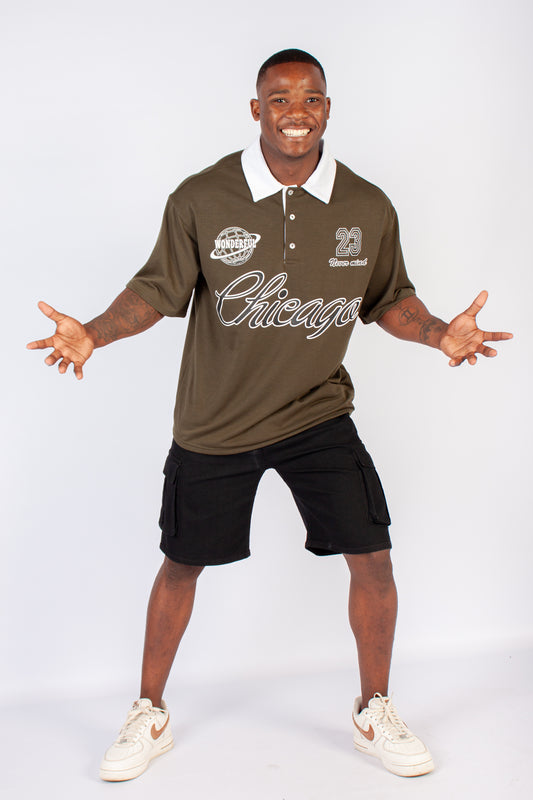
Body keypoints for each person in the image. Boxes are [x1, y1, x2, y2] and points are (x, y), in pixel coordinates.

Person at [27, 49, 512, 781]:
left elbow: (388, 298)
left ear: (327, 109)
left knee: (373, 556)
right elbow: (155, 291)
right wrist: (92, 332)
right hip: (215, 421)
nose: (295, 111)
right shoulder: (201, 198)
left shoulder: (366, 206)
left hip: (317, 412)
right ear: (256, 110)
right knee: (181, 564)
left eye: (310, 98)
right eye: (279, 98)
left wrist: (441, 332)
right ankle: (148, 711)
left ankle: (374, 708)